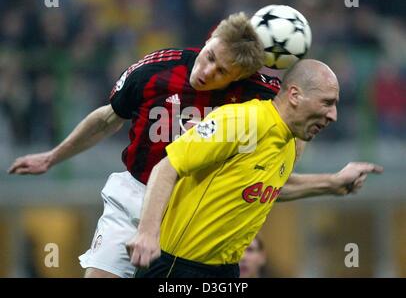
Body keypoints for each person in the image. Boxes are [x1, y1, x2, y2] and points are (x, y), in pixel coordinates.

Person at [126, 59, 383, 278]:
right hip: (176, 267)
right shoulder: (243, 121)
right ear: (295, 95)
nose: (333, 115)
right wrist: (147, 234)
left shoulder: (290, 142)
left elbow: (267, 187)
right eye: (327, 102)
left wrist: (331, 183)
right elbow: (167, 167)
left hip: (225, 270)